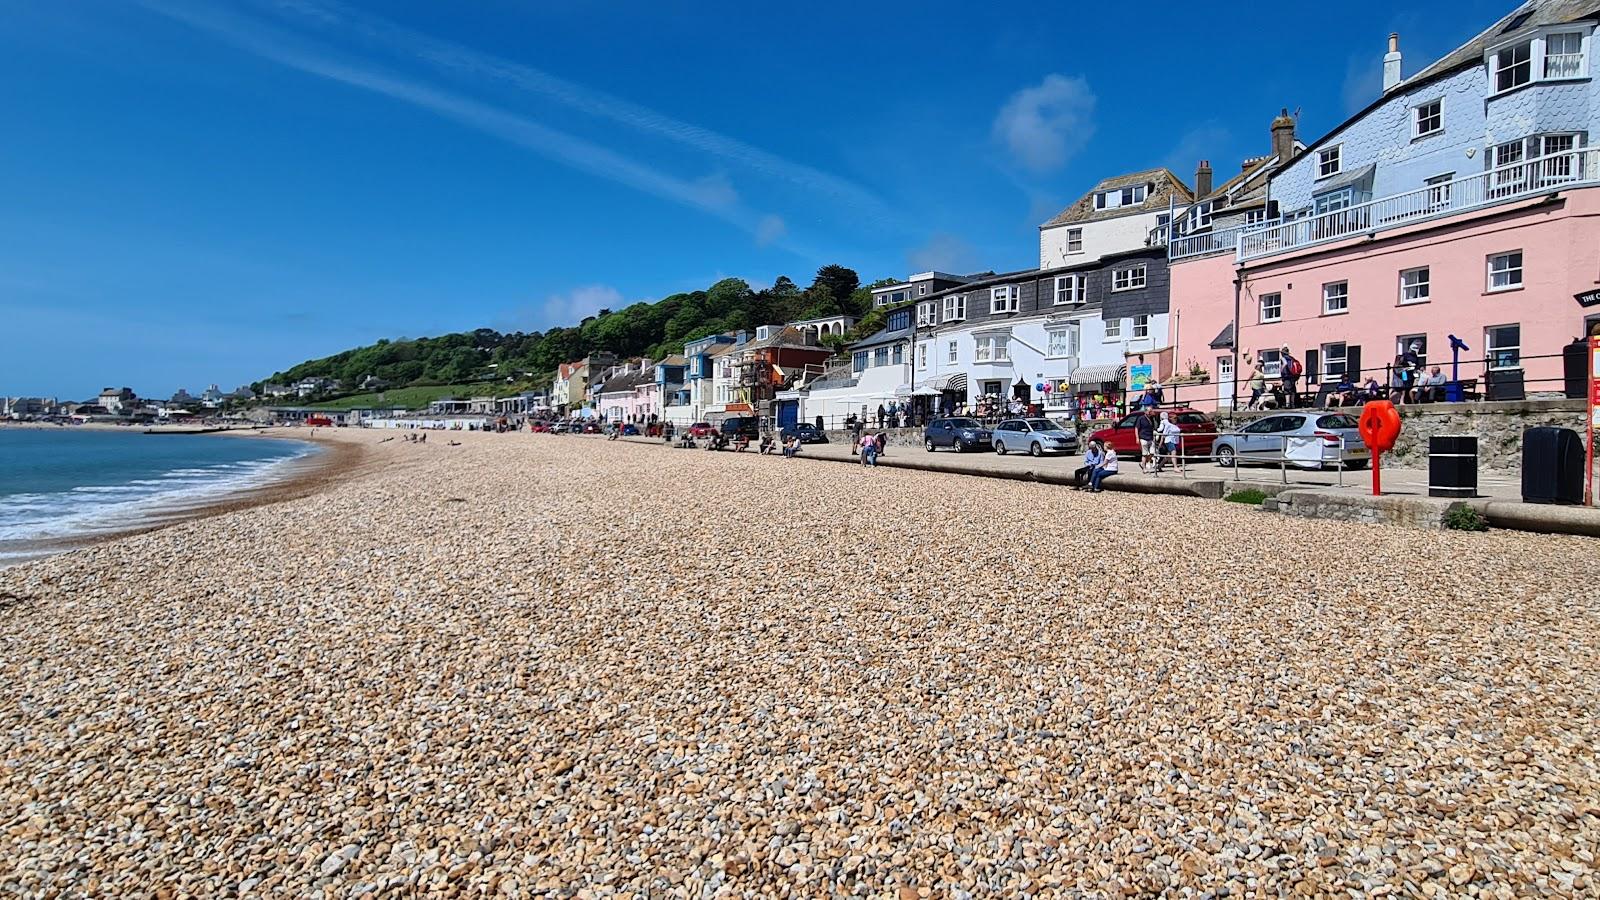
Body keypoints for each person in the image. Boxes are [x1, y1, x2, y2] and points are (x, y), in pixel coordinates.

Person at [1134, 407, 1157, 473]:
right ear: (1146, 412)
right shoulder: (1141, 418)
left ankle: (1143, 463)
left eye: (1151, 411)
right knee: (1144, 454)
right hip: (1143, 437)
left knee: (1152, 453)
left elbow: (1153, 427)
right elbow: (1136, 428)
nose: (1150, 412)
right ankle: (1144, 468)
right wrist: (1137, 438)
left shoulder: (1152, 418)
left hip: (1150, 437)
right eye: (1149, 411)